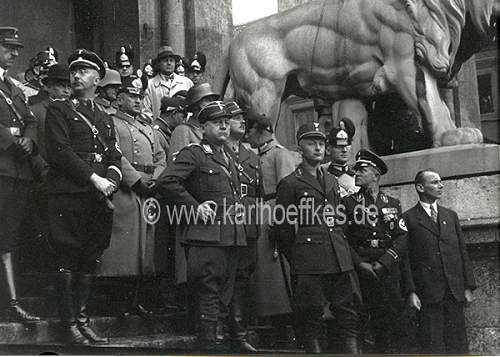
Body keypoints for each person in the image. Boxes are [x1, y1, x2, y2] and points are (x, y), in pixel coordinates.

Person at [45, 49, 122, 345]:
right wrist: (95, 179)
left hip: (97, 196)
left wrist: (112, 180)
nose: (76, 75)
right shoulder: (59, 109)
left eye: (84, 71)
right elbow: (60, 152)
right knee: (68, 255)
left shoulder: (103, 116)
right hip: (69, 194)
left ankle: (82, 319)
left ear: (97, 79)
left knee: (90, 256)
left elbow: (114, 153)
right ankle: (69, 325)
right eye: (74, 71)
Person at [156, 101, 247, 352]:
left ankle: (215, 343)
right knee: (208, 294)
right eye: (217, 122)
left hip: (230, 234)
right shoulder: (194, 153)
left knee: (224, 297)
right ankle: (209, 346)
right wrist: (195, 206)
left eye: (227, 122)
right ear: (203, 127)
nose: (224, 126)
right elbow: (167, 181)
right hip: (205, 236)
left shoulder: (227, 155)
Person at [276, 122, 362, 353]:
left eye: (322, 143)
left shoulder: (332, 181)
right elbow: (282, 228)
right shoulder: (290, 183)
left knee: (348, 312)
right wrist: (297, 256)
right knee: (311, 315)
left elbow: (340, 218)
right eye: (311, 143)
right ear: (299, 148)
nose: (318, 148)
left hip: (339, 255)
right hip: (309, 258)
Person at [402, 169, 476, 354]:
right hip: (427, 293)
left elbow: (462, 252)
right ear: (420, 187)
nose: (440, 185)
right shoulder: (408, 218)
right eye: (435, 182)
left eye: (440, 181)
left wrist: (468, 286)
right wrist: (411, 292)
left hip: (454, 291)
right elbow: (405, 260)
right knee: (432, 344)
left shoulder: (450, 216)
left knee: (458, 344)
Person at [343, 149, 408, 353]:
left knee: (389, 321)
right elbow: (342, 237)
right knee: (360, 319)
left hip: (386, 270)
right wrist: (359, 263)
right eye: (356, 170)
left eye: (362, 169)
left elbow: (402, 236)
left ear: (376, 175)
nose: (357, 173)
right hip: (360, 270)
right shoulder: (348, 204)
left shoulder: (392, 204)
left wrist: (385, 263)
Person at [245, 111, 300, 346]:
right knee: (267, 274)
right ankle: (271, 320)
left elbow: (286, 191)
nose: (248, 136)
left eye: (251, 131)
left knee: (279, 273)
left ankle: (285, 324)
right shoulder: (260, 154)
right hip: (261, 211)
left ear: (262, 131)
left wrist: (280, 220)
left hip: (275, 213)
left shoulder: (279, 155)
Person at [0, 26, 40, 322]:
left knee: (9, 235)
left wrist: (28, 138)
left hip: (17, 172)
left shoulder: (12, 86)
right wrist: (11, 139)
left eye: (16, 49)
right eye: (8, 47)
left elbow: (29, 120)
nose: (14, 53)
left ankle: (10, 302)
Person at [224, 101, 259, 352]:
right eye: (236, 118)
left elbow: (258, 192)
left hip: (247, 223)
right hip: (225, 222)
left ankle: (240, 330)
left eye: (242, 118)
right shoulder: (217, 150)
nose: (242, 122)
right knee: (225, 276)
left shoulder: (251, 155)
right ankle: (232, 330)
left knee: (244, 276)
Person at [143, 45, 193, 119]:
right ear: (159, 63)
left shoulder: (186, 82)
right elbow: (146, 111)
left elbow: (192, 108)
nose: (169, 63)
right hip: (158, 127)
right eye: (165, 60)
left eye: (171, 60)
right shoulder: (150, 84)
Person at [323, 118, 358, 197]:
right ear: (328, 150)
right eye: (339, 146)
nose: (344, 150)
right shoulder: (323, 175)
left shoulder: (357, 175)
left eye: (346, 146)